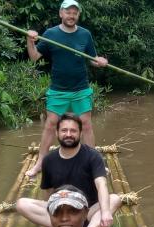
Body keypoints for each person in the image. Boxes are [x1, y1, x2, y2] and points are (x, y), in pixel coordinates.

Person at [25, 0, 108, 177]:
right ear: (61, 14)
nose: (71, 16)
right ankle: (40, 162)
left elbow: (92, 59)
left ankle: (92, 163)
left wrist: (100, 61)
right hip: (58, 90)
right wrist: (30, 41)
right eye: (68, 12)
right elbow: (34, 57)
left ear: (78, 15)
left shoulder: (85, 34)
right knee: (50, 125)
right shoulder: (51, 34)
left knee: (86, 125)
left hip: (81, 89)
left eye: (74, 13)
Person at [17, 113, 121, 227]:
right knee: (22, 204)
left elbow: (101, 184)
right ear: (57, 133)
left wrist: (106, 212)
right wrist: (50, 212)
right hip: (61, 210)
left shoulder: (93, 156)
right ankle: (61, 224)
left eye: (73, 131)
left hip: (86, 212)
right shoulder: (49, 160)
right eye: (64, 130)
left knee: (114, 199)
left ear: (80, 133)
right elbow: (48, 193)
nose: (68, 134)